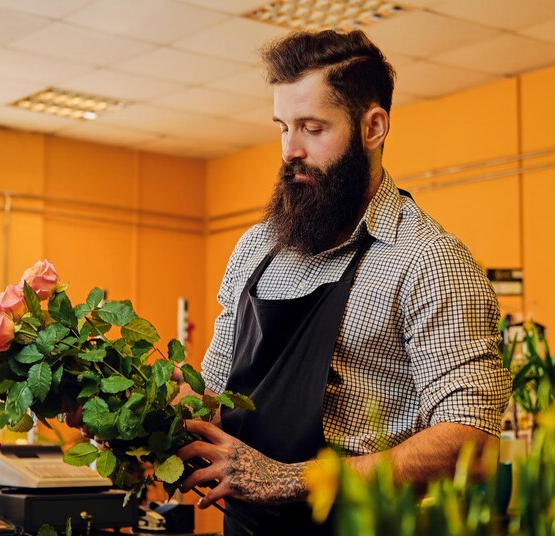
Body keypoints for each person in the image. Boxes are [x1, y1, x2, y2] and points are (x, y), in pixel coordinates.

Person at [177, 29, 511, 535]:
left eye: (312, 128)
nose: (290, 150)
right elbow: (217, 397)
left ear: (372, 126)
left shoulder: (429, 260)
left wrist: (293, 479)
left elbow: (473, 443)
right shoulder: (255, 248)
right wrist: (155, 409)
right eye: (283, 126)